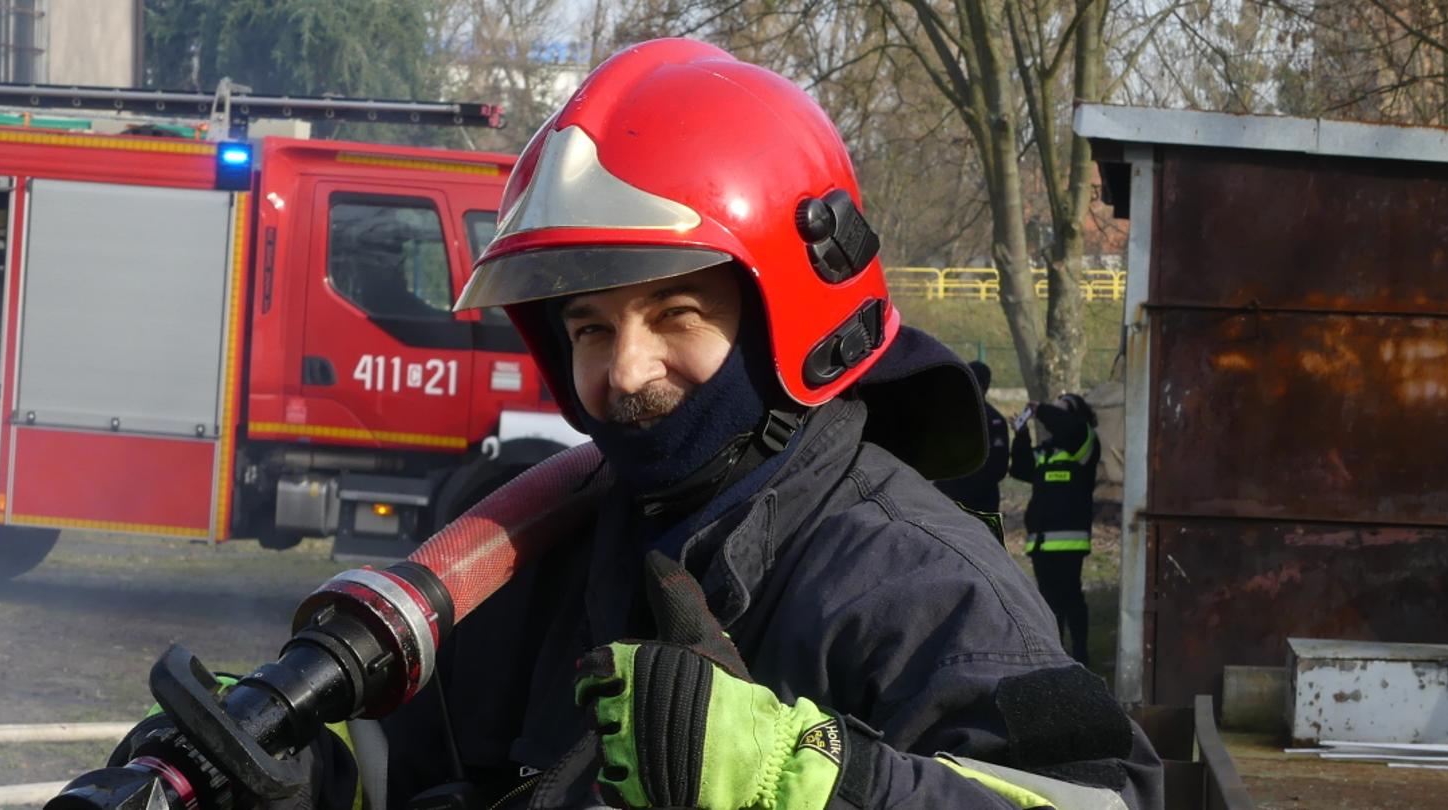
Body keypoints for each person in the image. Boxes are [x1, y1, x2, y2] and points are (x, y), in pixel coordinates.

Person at [103, 39, 1161, 810]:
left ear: (787, 315)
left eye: (676, 315)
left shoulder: (918, 579)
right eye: (591, 326)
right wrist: (293, 774)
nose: (625, 372)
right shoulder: (531, 549)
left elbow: (1109, 802)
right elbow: (417, 770)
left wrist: (805, 785)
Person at [1008, 392, 1102, 666]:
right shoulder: (1047, 451)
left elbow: (1070, 429)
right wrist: (1022, 435)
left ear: (1077, 416)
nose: (1055, 413)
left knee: (1071, 596)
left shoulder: (1084, 444)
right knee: (1048, 602)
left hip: (1069, 541)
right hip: (1041, 541)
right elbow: (1022, 468)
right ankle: (1056, 656)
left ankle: (1081, 652)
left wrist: (1043, 410)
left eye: (1063, 409)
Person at [934, 360, 1010, 525]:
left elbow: (997, 466)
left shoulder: (992, 420)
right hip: (949, 498)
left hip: (978, 501)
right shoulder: (947, 414)